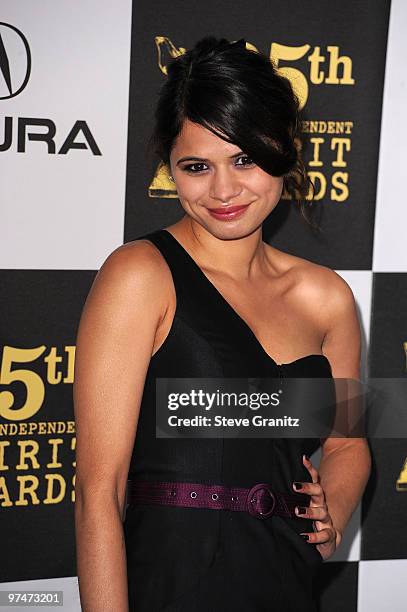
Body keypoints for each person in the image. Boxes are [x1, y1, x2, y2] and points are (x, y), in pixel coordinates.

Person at [73, 37, 371, 611]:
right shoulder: (140, 275)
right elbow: (97, 493)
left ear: (283, 149)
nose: (224, 190)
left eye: (244, 159)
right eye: (196, 166)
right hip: (170, 584)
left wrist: (330, 508)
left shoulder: (328, 297)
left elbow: (347, 444)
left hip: (286, 581)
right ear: (171, 169)